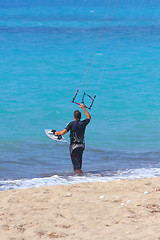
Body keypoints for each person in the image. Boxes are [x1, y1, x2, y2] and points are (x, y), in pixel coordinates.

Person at [55, 104, 91, 175]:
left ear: (74, 117)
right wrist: (83, 108)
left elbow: (62, 133)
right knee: (79, 165)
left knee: (75, 166)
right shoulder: (83, 123)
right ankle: (81, 177)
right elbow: (89, 117)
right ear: (80, 117)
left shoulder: (71, 124)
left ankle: (80, 178)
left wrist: (56, 133)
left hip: (74, 146)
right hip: (81, 146)